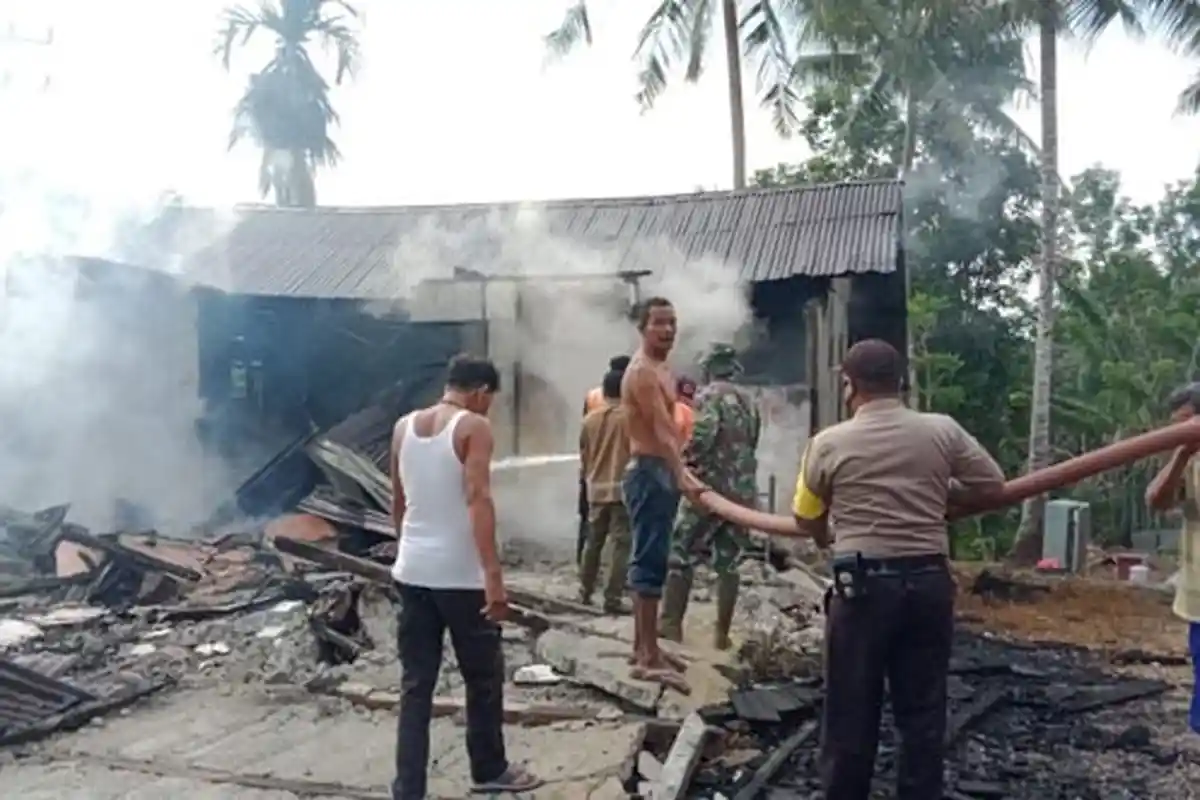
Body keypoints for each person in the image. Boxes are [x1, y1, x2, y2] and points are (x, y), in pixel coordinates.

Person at [792, 339, 1004, 800]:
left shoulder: (828, 443)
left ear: (850, 386)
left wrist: (829, 533)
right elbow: (992, 484)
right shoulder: (942, 431)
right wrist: (939, 496)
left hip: (861, 588)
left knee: (850, 714)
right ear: (900, 382)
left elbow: (806, 517)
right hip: (929, 584)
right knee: (923, 713)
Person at [389, 354, 541, 799]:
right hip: (460, 578)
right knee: (483, 677)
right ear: (480, 392)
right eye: (490, 398)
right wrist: (493, 577)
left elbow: (397, 500)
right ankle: (489, 768)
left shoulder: (403, 427)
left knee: (416, 685)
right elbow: (478, 499)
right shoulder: (474, 427)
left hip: (412, 573)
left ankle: (408, 788)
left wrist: (409, 551)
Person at [621, 297, 703, 693]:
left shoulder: (662, 369)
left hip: (660, 471)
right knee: (649, 562)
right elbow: (661, 429)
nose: (668, 330)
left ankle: (645, 647)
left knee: (655, 557)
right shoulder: (641, 373)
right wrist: (681, 473)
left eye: (672, 322)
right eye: (659, 323)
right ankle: (647, 657)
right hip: (650, 471)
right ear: (642, 327)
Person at [661, 344, 761, 650]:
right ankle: (722, 635)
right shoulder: (749, 400)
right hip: (741, 493)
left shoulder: (707, 397)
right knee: (728, 561)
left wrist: (683, 462)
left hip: (708, 490)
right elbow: (753, 440)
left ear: (709, 367)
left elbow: (703, 435)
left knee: (680, 553)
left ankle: (671, 626)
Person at [1145, 381, 1200, 734]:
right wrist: (1182, 454)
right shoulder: (1188, 462)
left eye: (1187, 422)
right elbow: (1155, 501)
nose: (1180, 432)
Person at [578, 368, 633, 614]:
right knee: (621, 545)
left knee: (593, 542)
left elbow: (584, 455)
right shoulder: (630, 418)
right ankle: (612, 598)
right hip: (622, 491)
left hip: (595, 490)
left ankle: (584, 591)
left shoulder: (589, 420)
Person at [674, 376, 697, 443]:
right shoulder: (678, 402)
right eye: (687, 387)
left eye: (690, 387)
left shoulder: (693, 402)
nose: (688, 389)